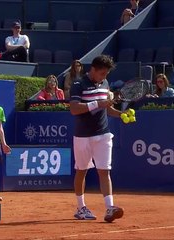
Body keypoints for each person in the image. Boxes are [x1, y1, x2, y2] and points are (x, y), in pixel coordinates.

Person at [69, 55, 124, 223]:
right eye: (102, 73)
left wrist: (122, 115)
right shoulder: (78, 84)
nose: (104, 77)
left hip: (103, 134)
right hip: (83, 136)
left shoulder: (105, 84)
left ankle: (109, 208)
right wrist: (98, 104)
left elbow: (107, 109)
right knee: (81, 171)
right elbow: (74, 109)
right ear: (93, 69)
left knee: (104, 171)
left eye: (106, 74)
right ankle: (81, 208)